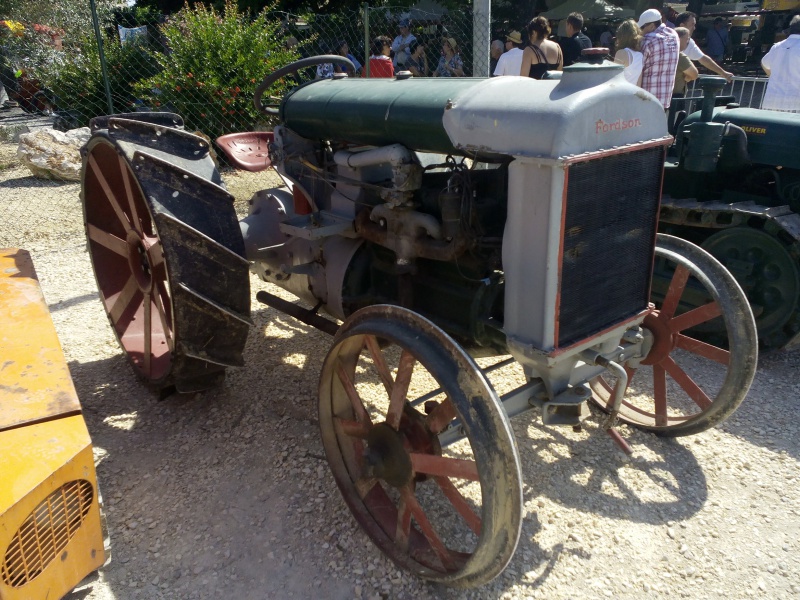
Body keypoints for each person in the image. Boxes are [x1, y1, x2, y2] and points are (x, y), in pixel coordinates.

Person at [673, 12, 734, 82]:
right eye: (692, 24)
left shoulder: (689, 42)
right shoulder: (665, 40)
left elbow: (703, 59)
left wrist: (724, 73)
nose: (694, 28)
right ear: (682, 25)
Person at [638, 8, 680, 109]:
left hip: (646, 98)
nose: (640, 31)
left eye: (642, 27)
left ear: (652, 26)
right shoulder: (674, 35)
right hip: (665, 99)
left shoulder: (648, 40)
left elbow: (637, 69)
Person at [760, 14, 800, 112]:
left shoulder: (777, 47)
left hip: (771, 100)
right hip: (795, 103)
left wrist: (774, 76)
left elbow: (764, 63)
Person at [614, 20, 643, 86]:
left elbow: (614, 79)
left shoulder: (621, 53)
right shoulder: (640, 55)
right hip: (633, 94)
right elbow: (639, 84)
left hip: (621, 94)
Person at [673, 27, 699, 97]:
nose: (688, 41)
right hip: (675, 96)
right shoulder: (679, 56)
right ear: (679, 39)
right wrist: (688, 77)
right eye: (687, 38)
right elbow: (694, 74)